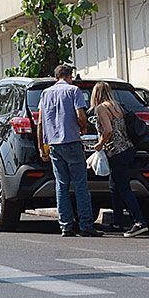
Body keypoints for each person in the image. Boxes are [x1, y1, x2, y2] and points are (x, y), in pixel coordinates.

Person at [37, 64, 102, 237]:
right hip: (72, 141)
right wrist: (84, 127)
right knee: (80, 184)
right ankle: (86, 225)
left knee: (61, 185)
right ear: (69, 76)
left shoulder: (45, 93)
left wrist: (41, 147)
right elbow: (81, 115)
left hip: (54, 145)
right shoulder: (74, 90)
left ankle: (65, 225)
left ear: (56, 77)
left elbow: (41, 123)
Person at [91, 81, 148, 237]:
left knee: (123, 187)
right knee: (114, 186)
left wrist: (99, 144)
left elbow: (108, 130)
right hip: (128, 149)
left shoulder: (101, 108)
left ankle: (139, 221)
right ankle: (117, 222)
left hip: (117, 152)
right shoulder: (117, 106)